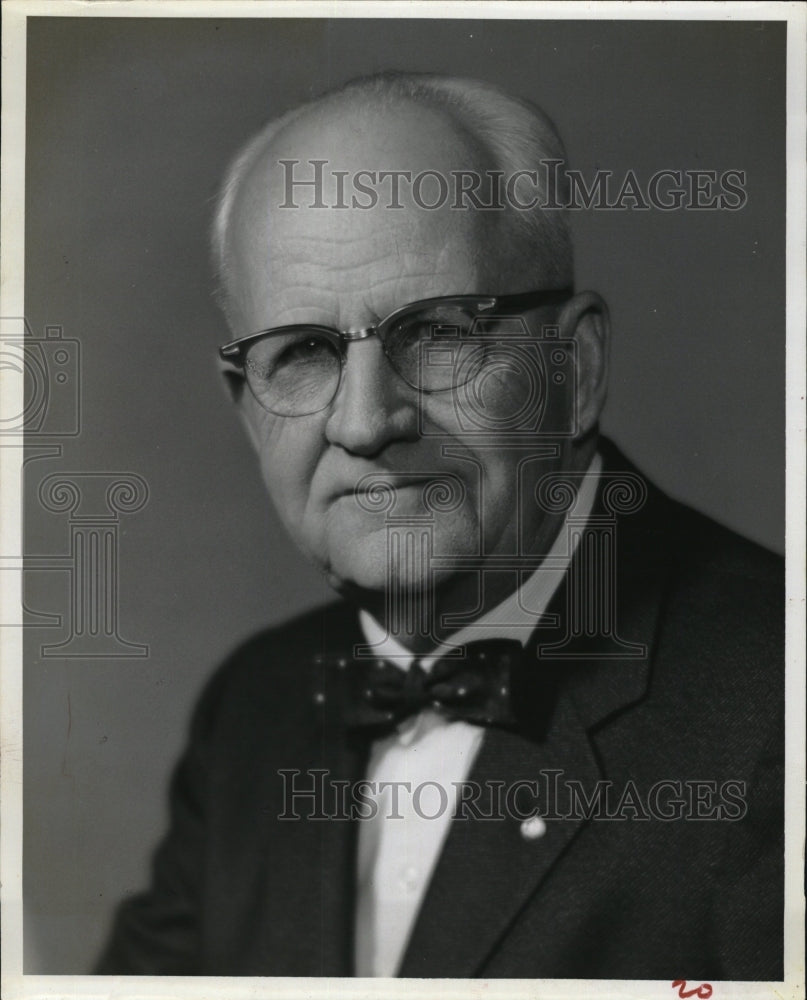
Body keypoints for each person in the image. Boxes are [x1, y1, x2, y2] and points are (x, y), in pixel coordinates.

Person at [96, 72, 783, 980]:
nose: (363, 422)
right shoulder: (254, 708)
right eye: (302, 354)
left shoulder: (783, 704)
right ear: (248, 408)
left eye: (439, 334)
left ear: (572, 369)